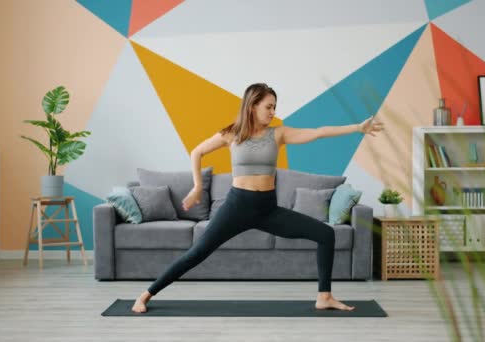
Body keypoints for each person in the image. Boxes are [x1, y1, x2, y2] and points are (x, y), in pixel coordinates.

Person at [132, 83, 384, 313]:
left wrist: (357, 128)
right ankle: (146, 294)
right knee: (197, 253)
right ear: (252, 106)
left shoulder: (278, 134)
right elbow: (197, 151)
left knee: (326, 234)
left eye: (274, 107)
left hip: (267, 209)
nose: (273, 111)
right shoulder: (231, 134)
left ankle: (324, 296)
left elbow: (317, 132)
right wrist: (197, 186)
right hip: (237, 206)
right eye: (268, 106)